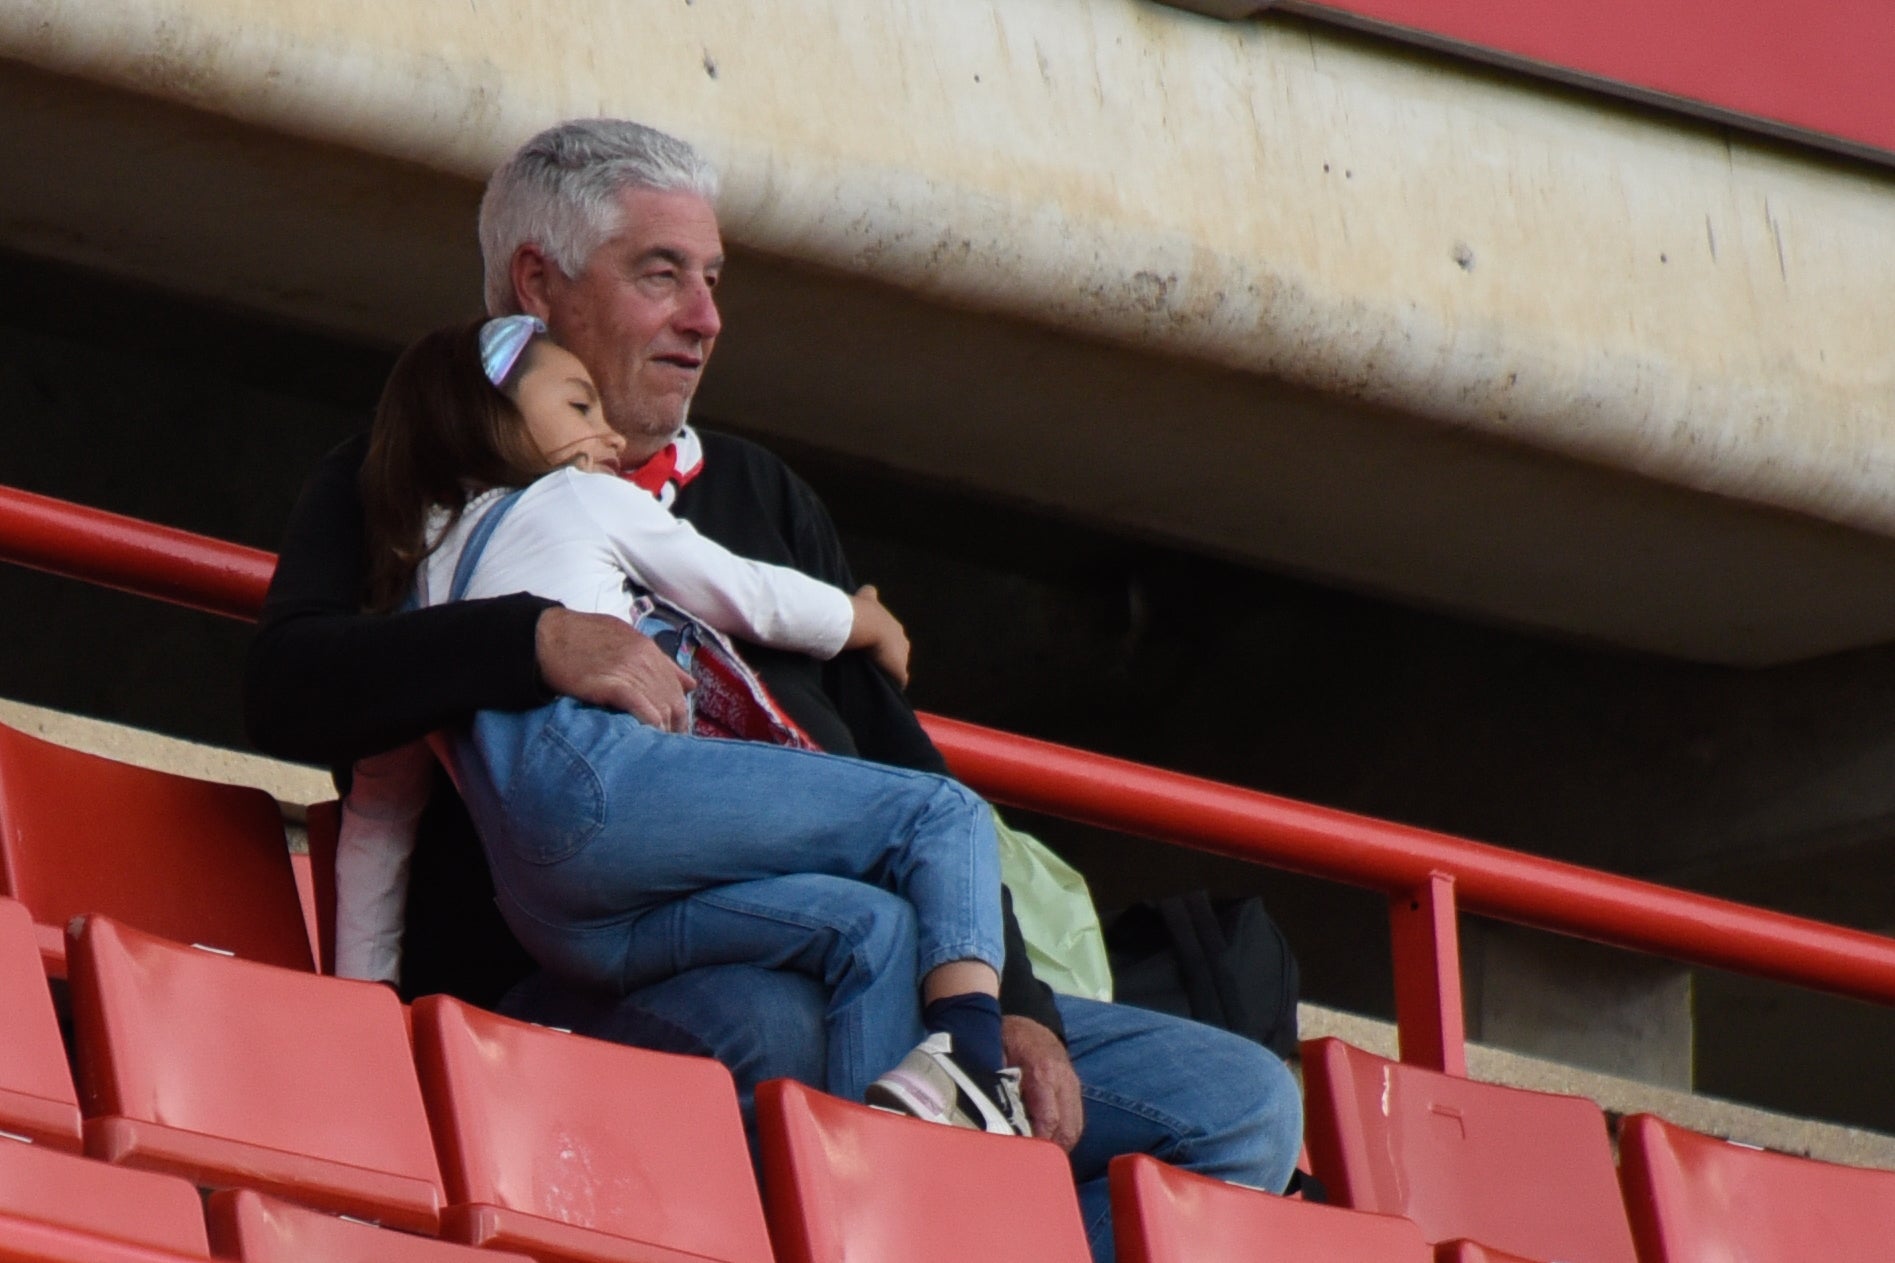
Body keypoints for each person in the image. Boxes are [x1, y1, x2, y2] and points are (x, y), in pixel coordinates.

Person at [244, 117, 1301, 1263]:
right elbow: (289, 689)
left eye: (711, 280)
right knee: (773, 1016)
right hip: (582, 989)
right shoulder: (404, 472)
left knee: (1238, 1103)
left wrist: (1018, 1009)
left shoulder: (759, 492)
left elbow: (905, 770)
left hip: (882, 966)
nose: (705, 319)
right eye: (661, 274)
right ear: (535, 285)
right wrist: (531, 639)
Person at [334, 313, 1025, 1134]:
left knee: (870, 925)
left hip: (551, 910)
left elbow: (375, 824)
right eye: (579, 407)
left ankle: (856, 1205)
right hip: (601, 786)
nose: (610, 435)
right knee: (943, 813)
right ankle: (977, 1062)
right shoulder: (575, 496)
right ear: (495, 420)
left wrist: (362, 1021)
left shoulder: (414, 598)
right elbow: (743, 591)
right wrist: (862, 618)